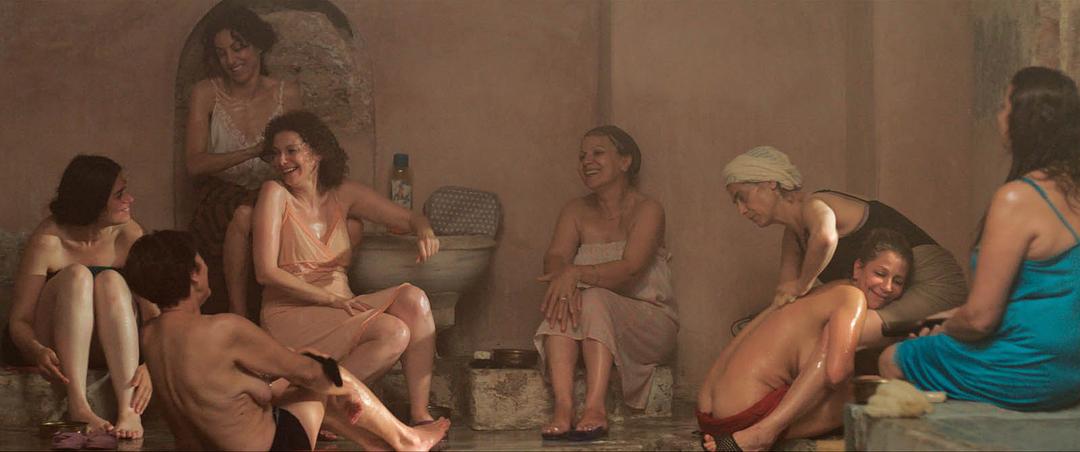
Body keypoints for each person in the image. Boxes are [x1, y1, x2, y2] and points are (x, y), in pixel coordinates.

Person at [125, 230, 450, 451]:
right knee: (325, 372)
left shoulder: (150, 335)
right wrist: (345, 389)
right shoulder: (223, 329)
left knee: (302, 379)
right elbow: (311, 375)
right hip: (276, 447)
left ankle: (375, 445)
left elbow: (220, 391)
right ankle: (408, 440)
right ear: (195, 272)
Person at [879, 66, 1080, 412]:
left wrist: (946, 329)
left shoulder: (1018, 198)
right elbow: (1040, 295)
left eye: (1005, 106)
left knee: (893, 358)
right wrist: (950, 317)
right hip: (1071, 369)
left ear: (1024, 121)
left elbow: (980, 320)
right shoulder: (1073, 192)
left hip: (1027, 370)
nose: (999, 117)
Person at [253, 110, 443, 425]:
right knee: (394, 333)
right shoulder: (275, 194)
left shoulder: (344, 194)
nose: (281, 161)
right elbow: (265, 272)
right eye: (276, 153)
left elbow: (409, 218)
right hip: (291, 312)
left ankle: (420, 415)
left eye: (291, 150)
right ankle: (312, 403)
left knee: (414, 299)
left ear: (317, 153)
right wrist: (330, 299)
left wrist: (424, 229)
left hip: (340, 306)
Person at [720, 146, 967, 346]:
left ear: (770, 184)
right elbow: (785, 298)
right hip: (892, 291)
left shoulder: (816, 204)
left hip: (931, 281)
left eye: (742, 197)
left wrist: (802, 285)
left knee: (838, 337)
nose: (742, 210)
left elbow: (825, 239)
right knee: (805, 334)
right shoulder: (792, 238)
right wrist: (749, 336)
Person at [698, 228, 913, 452]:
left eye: (897, 281)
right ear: (858, 268)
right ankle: (761, 435)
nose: (887, 287)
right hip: (742, 414)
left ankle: (745, 434)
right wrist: (871, 381)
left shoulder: (827, 290)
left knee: (828, 346)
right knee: (871, 392)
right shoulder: (852, 297)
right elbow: (837, 373)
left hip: (709, 413)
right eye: (880, 273)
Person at [534, 125, 678, 441]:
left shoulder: (647, 209)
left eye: (598, 153)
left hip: (649, 322)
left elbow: (631, 269)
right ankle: (563, 407)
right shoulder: (575, 210)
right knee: (564, 296)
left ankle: (595, 407)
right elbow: (555, 256)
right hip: (590, 315)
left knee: (593, 297)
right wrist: (563, 276)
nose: (587, 161)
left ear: (625, 162)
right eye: (582, 156)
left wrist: (576, 274)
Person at [7, 155, 152, 439]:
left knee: (110, 280)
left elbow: (154, 315)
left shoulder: (129, 235)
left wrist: (151, 363)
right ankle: (78, 404)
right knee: (77, 276)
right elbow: (19, 320)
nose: (130, 199)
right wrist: (36, 350)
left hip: (113, 341)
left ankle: (128, 410)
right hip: (57, 344)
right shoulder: (49, 239)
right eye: (119, 195)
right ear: (93, 201)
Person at [185, 6, 303, 317]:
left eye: (239, 48)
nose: (231, 60)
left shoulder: (287, 94)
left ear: (259, 46)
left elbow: (301, 154)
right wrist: (252, 151)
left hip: (273, 193)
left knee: (257, 210)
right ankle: (237, 312)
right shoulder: (205, 93)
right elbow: (194, 165)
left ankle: (276, 313)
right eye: (221, 53)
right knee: (243, 212)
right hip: (220, 196)